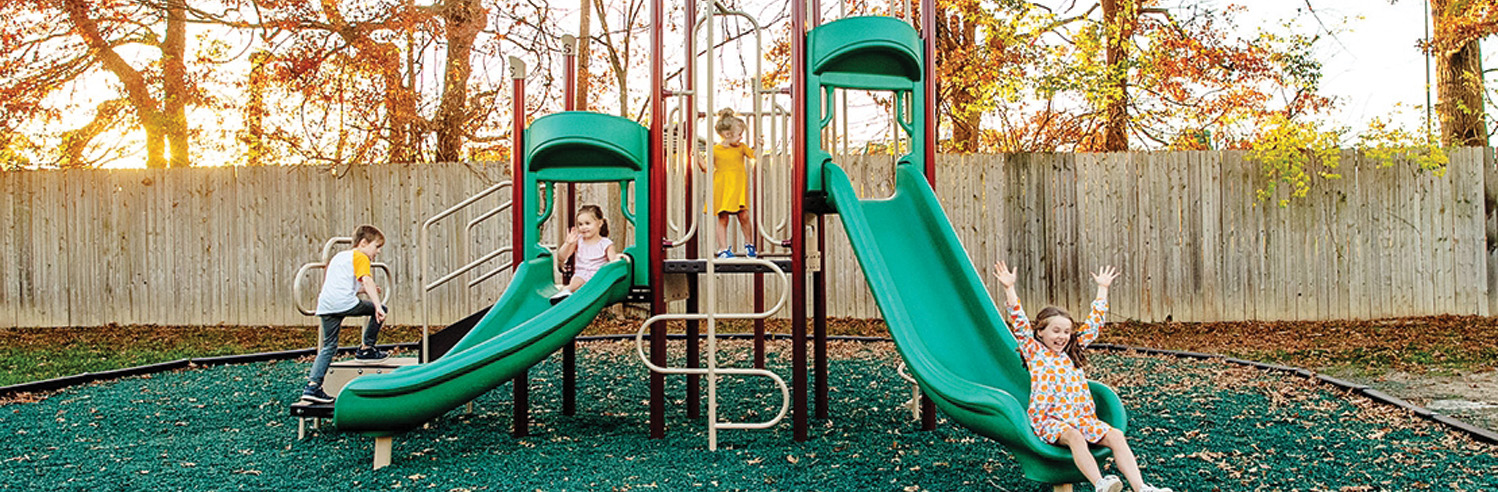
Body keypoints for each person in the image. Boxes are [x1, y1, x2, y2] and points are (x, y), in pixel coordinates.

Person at [992, 261, 1172, 492]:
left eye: (1066, 331)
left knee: (1116, 436)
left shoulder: (1071, 352)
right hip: (1050, 421)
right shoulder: (1034, 351)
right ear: (1040, 332)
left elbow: (1094, 324)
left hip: (1082, 418)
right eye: (1055, 331)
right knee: (1075, 437)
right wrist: (1009, 288)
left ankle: (1141, 488)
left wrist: (1103, 289)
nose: (1062, 336)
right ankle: (1100, 483)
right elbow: (1019, 323)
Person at [301, 225, 390, 404]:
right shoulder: (361, 256)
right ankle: (366, 349)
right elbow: (367, 278)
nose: (378, 252)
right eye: (377, 246)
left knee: (329, 346)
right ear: (364, 243)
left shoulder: (340, 257)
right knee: (381, 309)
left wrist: (364, 290)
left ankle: (312, 387)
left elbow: (343, 283)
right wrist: (377, 305)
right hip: (344, 303)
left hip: (326, 305)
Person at [699, 108, 756, 259]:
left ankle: (749, 245)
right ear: (727, 134)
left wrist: (759, 145)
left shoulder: (741, 148)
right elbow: (706, 168)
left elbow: (754, 155)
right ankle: (723, 249)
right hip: (722, 187)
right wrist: (696, 157)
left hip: (737, 188)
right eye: (739, 135)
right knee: (723, 217)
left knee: (743, 216)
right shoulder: (715, 150)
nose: (741, 138)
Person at [550, 204, 621, 304]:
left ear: (600, 223)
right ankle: (565, 293)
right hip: (581, 276)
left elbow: (613, 261)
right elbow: (562, 257)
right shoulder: (579, 241)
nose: (583, 227)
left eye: (587, 223)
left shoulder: (605, 244)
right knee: (577, 281)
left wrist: (619, 258)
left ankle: (566, 291)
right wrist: (568, 243)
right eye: (580, 224)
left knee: (584, 285)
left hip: (597, 278)